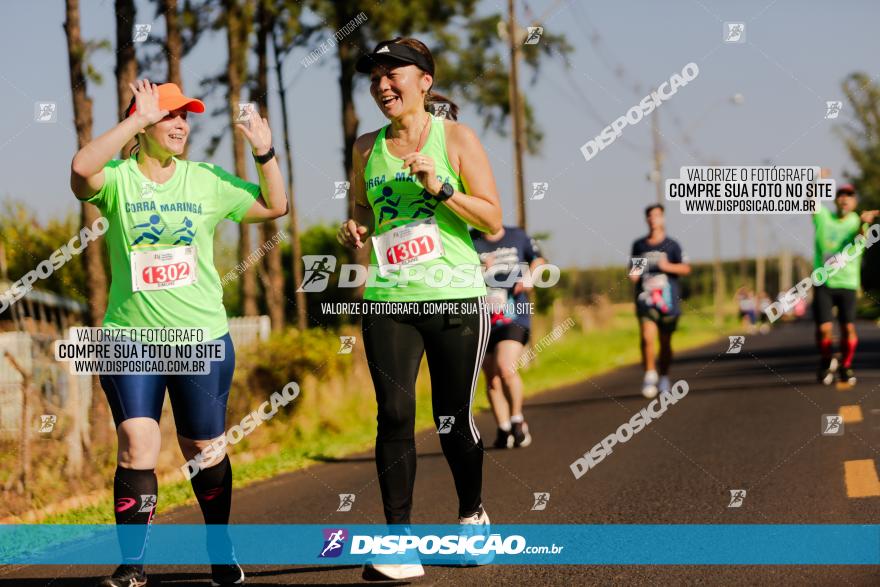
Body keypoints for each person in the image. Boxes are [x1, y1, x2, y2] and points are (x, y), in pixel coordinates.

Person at [70, 80, 288, 587]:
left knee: (204, 449)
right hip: (131, 339)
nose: (180, 125)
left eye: (184, 117)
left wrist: (264, 151)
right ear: (142, 125)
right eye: (168, 116)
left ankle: (218, 546)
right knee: (136, 442)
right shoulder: (118, 179)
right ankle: (132, 564)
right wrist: (132, 119)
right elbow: (81, 169)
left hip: (200, 338)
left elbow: (275, 206)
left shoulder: (207, 180)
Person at [337, 37, 502, 580]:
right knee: (395, 416)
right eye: (375, 77)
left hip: (455, 298)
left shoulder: (456, 137)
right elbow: (363, 207)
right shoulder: (365, 147)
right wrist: (356, 227)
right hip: (388, 299)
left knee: (452, 420)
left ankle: (472, 517)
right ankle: (398, 541)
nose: (382, 85)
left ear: (424, 81)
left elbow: (493, 222)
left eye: (393, 74)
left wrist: (442, 187)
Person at [470, 225, 545, 449]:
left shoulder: (517, 236)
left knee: (505, 368)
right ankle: (503, 428)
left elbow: (539, 260)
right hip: (483, 319)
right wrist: (478, 269)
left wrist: (530, 277)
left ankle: (517, 420)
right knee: (491, 377)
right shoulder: (469, 238)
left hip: (514, 315)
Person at [812, 183, 878, 385]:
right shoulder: (824, 217)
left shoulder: (857, 221)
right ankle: (826, 361)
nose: (844, 198)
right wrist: (815, 180)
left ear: (854, 201)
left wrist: (864, 223)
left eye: (849, 195)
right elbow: (811, 201)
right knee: (824, 329)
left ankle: (846, 366)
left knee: (848, 328)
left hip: (848, 284)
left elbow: (861, 238)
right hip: (824, 281)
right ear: (835, 200)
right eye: (841, 194)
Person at [629, 204, 691, 399]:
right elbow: (633, 270)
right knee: (647, 337)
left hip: (668, 300)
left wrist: (667, 266)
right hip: (645, 298)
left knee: (665, 343)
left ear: (663, 218)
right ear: (646, 219)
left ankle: (664, 376)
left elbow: (686, 269)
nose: (653, 219)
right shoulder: (639, 245)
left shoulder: (673, 245)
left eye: (657, 215)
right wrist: (634, 274)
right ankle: (649, 374)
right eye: (650, 216)